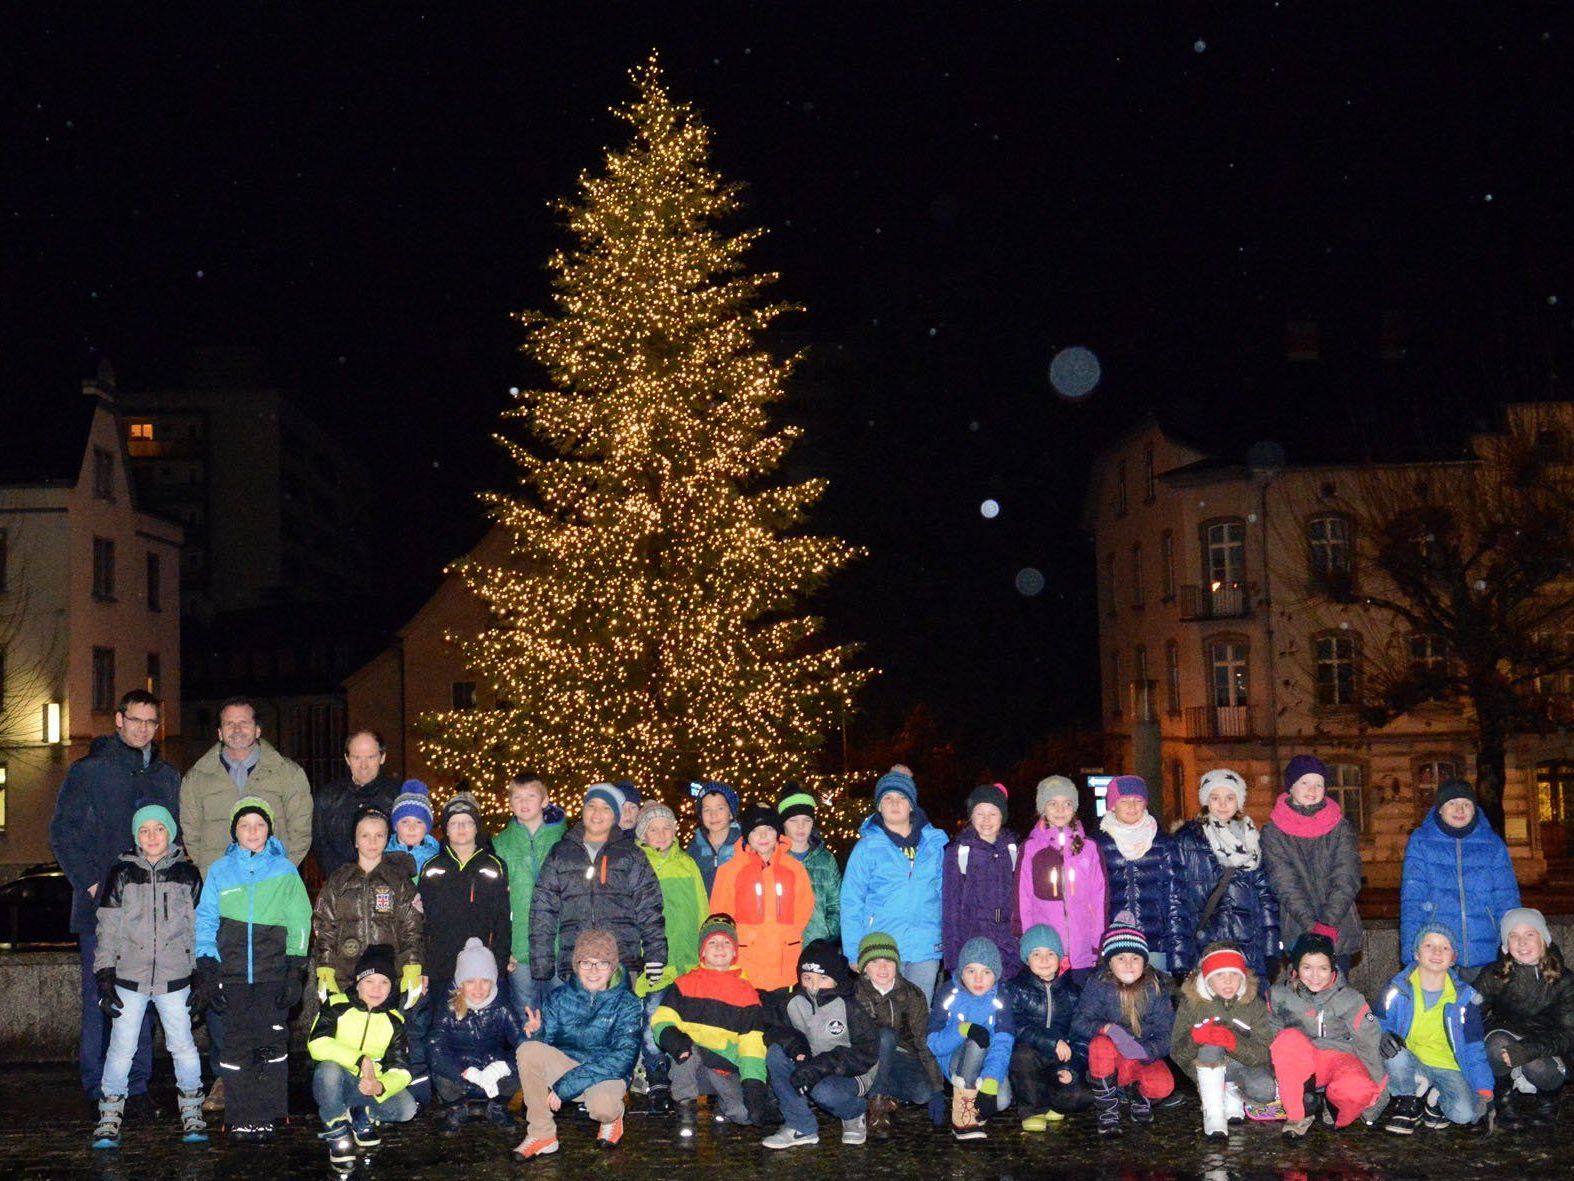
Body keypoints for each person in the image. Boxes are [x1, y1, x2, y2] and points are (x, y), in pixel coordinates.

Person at [50, 688, 182, 1112]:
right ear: (119, 721)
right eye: (136, 720)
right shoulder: (88, 772)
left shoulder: (166, 777)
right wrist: (92, 883)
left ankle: (137, 1087)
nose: (143, 729)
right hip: (99, 909)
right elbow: (63, 832)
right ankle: (98, 1089)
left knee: (141, 999)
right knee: (98, 999)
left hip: (151, 913)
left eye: (151, 722)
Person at [193, 796, 311, 1140]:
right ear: (235, 832)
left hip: (272, 973)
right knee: (236, 1047)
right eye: (245, 825)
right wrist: (207, 966)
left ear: (269, 829)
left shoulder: (285, 870)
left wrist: (295, 968)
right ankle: (241, 1114)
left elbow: (299, 919)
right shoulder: (219, 870)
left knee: (272, 1044)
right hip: (231, 975)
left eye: (259, 825)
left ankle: (272, 1113)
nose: (252, 831)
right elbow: (206, 918)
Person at [89, 804, 206, 1149]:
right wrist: (105, 974)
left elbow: (198, 928)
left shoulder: (187, 874)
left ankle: (191, 1109)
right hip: (129, 977)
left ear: (169, 832)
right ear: (135, 836)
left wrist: (200, 972)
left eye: (158, 829)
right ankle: (110, 1113)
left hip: (175, 976)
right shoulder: (121, 873)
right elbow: (108, 928)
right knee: (120, 1048)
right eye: (144, 830)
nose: (152, 836)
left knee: (183, 1046)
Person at [512, 929, 644, 1158]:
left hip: (605, 1073)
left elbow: (623, 1058)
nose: (593, 971)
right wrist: (536, 1033)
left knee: (603, 1109)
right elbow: (548, 1044)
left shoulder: (628, 1003)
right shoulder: (559, 997)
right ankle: (542, 1134)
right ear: (576, 965)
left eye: (602, 963)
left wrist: (566, 1086)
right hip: (568, 1066)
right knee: (528, 1050)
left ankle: (613, 1118)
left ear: (612, 967)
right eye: (586, 963)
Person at [529, 783, 666, 987]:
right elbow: (543, 908)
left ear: (616, 816)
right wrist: (541, 960)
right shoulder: (561, 853)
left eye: (606, 808)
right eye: (591, 806)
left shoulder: (631, 855)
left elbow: (649, 906)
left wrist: (655, 956)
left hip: (621, 962)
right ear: (583, 810)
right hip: (576, 963)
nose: (597, 814)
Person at [650, 913, 770, 1139]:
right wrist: (674, 1040)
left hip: (724, 1067)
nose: (719, 947)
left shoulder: (747, 993)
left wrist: (754, 1086)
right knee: (686, 1051)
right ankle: (685, 1111)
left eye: (726, 942)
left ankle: (724, 1107)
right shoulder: (685, 984)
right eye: (712, 942)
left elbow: (752, 1046)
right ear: (702, 951)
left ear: (735, 951)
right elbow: (661, 1019)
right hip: (692, 1063)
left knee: (746, 1115)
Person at [839, 769, 949, 1002]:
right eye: (888, 798)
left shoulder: (933, 845)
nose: (895, 804)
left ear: (911, 805)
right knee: (885, 1015)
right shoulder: (867, 847)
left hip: (925, 945)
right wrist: (853, 950)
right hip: (882, 946)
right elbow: (851, 900)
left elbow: (944, 895)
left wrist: (947, 938)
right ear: (879, 806)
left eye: (901, 798)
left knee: (919, 1011)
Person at [1373, 922, 1492, 1133]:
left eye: (1445, 947)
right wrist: (1383, 1034)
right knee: (1393, 1053)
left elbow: (1475, 1047)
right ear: (1416, 954)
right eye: (1429, 945)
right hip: (1411, 1060)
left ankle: (1434, 1100)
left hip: (1448, 1066)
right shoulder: (1396, 988)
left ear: (1453, 958)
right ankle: (1408, 1100)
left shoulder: (1465, 998)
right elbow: (1377, 1021)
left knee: (1464, 1114)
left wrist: (1484, 1091)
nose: (1437, 952)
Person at [1267, 931, 1387, 1138]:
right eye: (1307, 967)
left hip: (1340, 1058)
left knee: (1357, 1089)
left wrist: (1378, 1097)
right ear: (1295, 968)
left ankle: (1334, 1108)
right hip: (1303, 1062)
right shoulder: (1280, 995)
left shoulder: (1350, 999)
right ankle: (1298, 1114)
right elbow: (1272, 1033)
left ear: (1332, 967)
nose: (1315, 976)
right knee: (1287, 1039)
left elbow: (1368, 1043)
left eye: (1322, 968)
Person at [1399, 778, 1521, 981]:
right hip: (1439, 952)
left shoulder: (1492, 843)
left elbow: (1507, 899)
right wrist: (1410, 956)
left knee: (1483, 1011)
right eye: (1452, 803)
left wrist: (1511, 946)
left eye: (1466, 804)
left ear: (1474, 809)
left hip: (1486, 952)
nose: (1460, 809)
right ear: (1440, 809)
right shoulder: (1421, 841)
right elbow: (1413, 901)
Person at [762, 939, 879, 1149]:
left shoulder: (850, 1006)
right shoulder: (793, 1002)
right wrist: (796, 1047)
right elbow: (775, 1029)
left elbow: (866, 1052)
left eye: (823, 978)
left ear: (836, 980)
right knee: (776, 1053)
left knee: (822, 1090)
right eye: (807, 977)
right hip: (813, 1065)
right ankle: (801, 1126)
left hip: (852, 1072)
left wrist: (820, 1067)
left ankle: (854, 1112)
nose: (814, 985)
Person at [630, 800, 709, 1113]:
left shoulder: (687, 864)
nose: (661, 834)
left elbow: (702, 907)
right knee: (651, 1020)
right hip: (654, 962)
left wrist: (704, 951)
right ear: (643, 834)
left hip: (686, 959)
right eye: (653, 829)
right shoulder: (637, 864)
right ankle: (655, 1075)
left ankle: (683, 1078)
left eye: (666, 827)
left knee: (683, 1022)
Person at [308, 944, 417, 1169]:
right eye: (369, 981)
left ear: (391, 987)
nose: (376, 989)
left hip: (367, 1087)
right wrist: (360, 1059)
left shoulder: (395, 1020)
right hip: (338, 1080)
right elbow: (317, 1043)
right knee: (327, 1068)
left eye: (384, 982)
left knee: (407, 1109)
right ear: (358, 983)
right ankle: (336, 1128)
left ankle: (360, 1113)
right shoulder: (336, 1005)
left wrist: (380, 1085)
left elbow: (402, 1069)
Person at [311, 808, 424, 1023]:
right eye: (365, 835)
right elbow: (324, 926)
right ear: (355, 840)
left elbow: (412, 926)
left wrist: (411, 965)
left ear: (386, 839)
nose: (372, 841)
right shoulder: (338, 881)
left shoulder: (399, 882)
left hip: (386, 979)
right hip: (347, 976)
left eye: (379, 835)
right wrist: (325, 967)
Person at [1071, 913, 1175, 1138]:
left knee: (1163, 1085)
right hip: (1112, 1060)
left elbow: (1167, 1033)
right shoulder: (1098, 984)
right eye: (1121, 958)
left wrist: (1146, 1051)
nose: (1129, 963)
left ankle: (1138, 1096)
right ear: (1109, 962)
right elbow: (1079, 1022)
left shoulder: (1156, 988)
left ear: (1144, 961)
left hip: (1141, 1056)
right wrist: (1107, 1029)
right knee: (1100, 1045)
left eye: (1135, 958)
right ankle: (1108, 1111)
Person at [1172, 768, 1281, 982]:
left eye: (1230, 797)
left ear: (1239, 801)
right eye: (1215, 797)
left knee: (1246, 1011)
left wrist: (1270, 950)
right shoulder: (1188, 840)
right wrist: (1180, 958)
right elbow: (1177, 901)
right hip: (1206, 946)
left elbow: (1267, 898)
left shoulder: (1251, 839)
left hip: (1248, 946)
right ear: (1206, 800)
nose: (1223, 804)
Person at [180, 696, 312, 872]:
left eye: (244, 722)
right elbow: (191, 834)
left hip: (273, 883)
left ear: (257, 730)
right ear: (220, 732)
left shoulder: (288, 774)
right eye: (229, 724)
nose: (237, 729)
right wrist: (212, 871)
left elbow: (300, 830)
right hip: (222, 885)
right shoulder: (196, 779)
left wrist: (281, 871)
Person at [1262, 754, 1364, 975]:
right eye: (1305, 782)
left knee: (1339, 1002)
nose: (1312, 789)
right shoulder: (1273, 832)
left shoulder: (1340, 827)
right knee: (1302, 1004)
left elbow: (1347, 876)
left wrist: (1327, 924)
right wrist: (1313, 928)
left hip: (1338, 930)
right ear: (1291, 787)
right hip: (1299, 931)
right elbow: (1284, 882)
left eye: (1319, 783)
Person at [1475, 908, 1574, 1128]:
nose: (1522, 942)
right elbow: (1471, 1017)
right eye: (1514, 936)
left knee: (1536, 1066)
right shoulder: (1493, 974)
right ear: (1505, 944)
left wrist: (1527, 1050)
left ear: (1544, 939)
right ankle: (1502, 1098)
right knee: (1495, 1044)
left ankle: (1548, 1101)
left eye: (1530, 934)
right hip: (1506, 1036)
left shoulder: (1565, 980)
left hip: (1546, 1044)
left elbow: (1569, 1033)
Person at [1170, 942, 1276, 1139]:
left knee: (1265, 1091)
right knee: (1211, 1042)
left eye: (1234, 974)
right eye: (1219, 975)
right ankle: (1214, 1113)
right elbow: (1176, 1053)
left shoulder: (1254, 1004)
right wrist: (1195, 1038)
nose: (1228, 981)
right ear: (1208, 979)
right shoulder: (1191, 1005)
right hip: (1205, 1065)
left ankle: (1231, 1091)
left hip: (1241, 1064)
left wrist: (1234, 1042)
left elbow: (1264, 1053)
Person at [711, 804, 815, 995]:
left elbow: (805, 905)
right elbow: (720, 914)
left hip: (785, 966)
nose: (763, 836)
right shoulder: (730, 871)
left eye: (769, 829)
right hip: (747, 967)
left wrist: (789, 934)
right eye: (756, 831)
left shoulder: (794, 868)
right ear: (746, 836)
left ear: (777, 833)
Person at [853, 931, 945, 1138]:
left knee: (922, 1094)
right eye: (875, 962)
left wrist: (937, 1087)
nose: (883, 968)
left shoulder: (912, 994)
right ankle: (877, 1106)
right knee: (885, 1036)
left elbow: (922, 1040)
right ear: (864, 967)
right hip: (868, 1057)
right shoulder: (855, 995)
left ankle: (883, 1091)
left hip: (901, 1056)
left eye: (889, 961)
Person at [429, 937, 526, 1132]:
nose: (478, 988)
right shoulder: (448, 1007)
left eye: (485, 981)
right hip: (462, 1075)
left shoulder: (503, 1007)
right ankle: (456, 1107)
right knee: (440, 1074)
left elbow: (523, 1046)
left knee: (524, 1066)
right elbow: (434, 1046)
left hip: (492, 1073)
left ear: (493, 982)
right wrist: (463, 1072)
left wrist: (502, 1067)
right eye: (470, 981)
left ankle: (497, 1107)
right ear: (460, 984)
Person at [1003, 924, 1093, 1132]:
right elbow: (1016, 1026)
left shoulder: (1073, 992)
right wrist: (1051, 1043)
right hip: (1030, 1059)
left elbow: (1081, 1035)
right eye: (1036, 954)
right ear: (1027, 959)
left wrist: (1072, 1069)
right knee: (1022, 1055)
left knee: (1085, 1098)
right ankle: (1032, 1110)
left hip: (1058, 1062)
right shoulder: (1015, 988)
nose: (1044, 960)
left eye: (1050, 953)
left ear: (1060, 958)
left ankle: (1051, 1099)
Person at [1017, 775, 1106, 985]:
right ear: (1043, 808)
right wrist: (1029, 945)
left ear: (1074, 808)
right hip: (1046, 954)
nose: (1060, 810)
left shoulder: (1089, 849)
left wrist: (1097, 944)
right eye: (1052, 803)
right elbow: (1024, 900)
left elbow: (1099, 899)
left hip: (1083, 952)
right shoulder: (1031, 849)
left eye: (1066, 804)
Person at [491, 773, 567, 1018]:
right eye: (517, 797)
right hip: (520, 947)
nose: (524, 803)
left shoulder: (566, 840)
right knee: (526, 1015)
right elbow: (494, 902)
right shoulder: (500, 844)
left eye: (531, 796)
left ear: (545, 800)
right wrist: (502, 947)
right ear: (510, 803)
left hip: (559, 944)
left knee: (561, 1014)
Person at [927, 936, 1016, 1140]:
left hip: (987, 1061)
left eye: (986, 972)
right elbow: (934, 1044)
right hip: (955, 1060)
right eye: (971, 971)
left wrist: (991, 1080)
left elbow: (1003, 1042)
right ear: (961, 972)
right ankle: (962, 1114)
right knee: (977, 1040)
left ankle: (976, 1099)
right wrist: (961, 1030)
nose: (978, 979)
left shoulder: (1000, 997)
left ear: (996, 975)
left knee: (1000, 1101)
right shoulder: (948, 992)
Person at [1092, 776, 1180, 975]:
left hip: (1155, 943)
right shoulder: (1097, 844)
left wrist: (1176, 950)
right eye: (1124, 801)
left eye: (1138, 800)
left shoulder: (1163, 842)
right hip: (1116, 944)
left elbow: (1175, 899)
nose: (1132, 806)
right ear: (1113, 805)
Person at [942, 783, 1021, 982]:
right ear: (971, 816)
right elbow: (950, 907)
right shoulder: (959, 851)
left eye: (993, 813)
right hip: (972, 940)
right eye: (980, 813)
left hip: (1007, 942)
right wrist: (952, 958)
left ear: (1002, 816)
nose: (986, 820)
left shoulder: (1013, 850)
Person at [311, 730, 400, 879]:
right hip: (341, 886)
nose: (363, 765)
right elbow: (321, 844)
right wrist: (341, 879)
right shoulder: (328, 796)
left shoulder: (397, 796)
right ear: (347, 759)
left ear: (382, 757)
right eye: (357, 757)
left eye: (371, 757)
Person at [778, 785, 842, 947]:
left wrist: (827, 931)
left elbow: (836, 904)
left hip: (818, 944)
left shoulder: (826, 860)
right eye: (793, 821)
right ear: (784, 824)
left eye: (806, 820)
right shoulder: (775, 859)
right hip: (782, 946)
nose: (801, 827)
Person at [686, 781, 741, 894]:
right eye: (707, 810)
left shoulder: (744, 845)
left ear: (731, 813)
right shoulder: (694, 850)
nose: (713, 815)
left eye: (720, 808)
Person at [386, 781, 441, 878]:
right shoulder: (384, 853)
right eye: (405, 822)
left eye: (419, 822)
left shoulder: (436, 856)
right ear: (395, 826)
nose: (412, 828)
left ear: (427, 828)